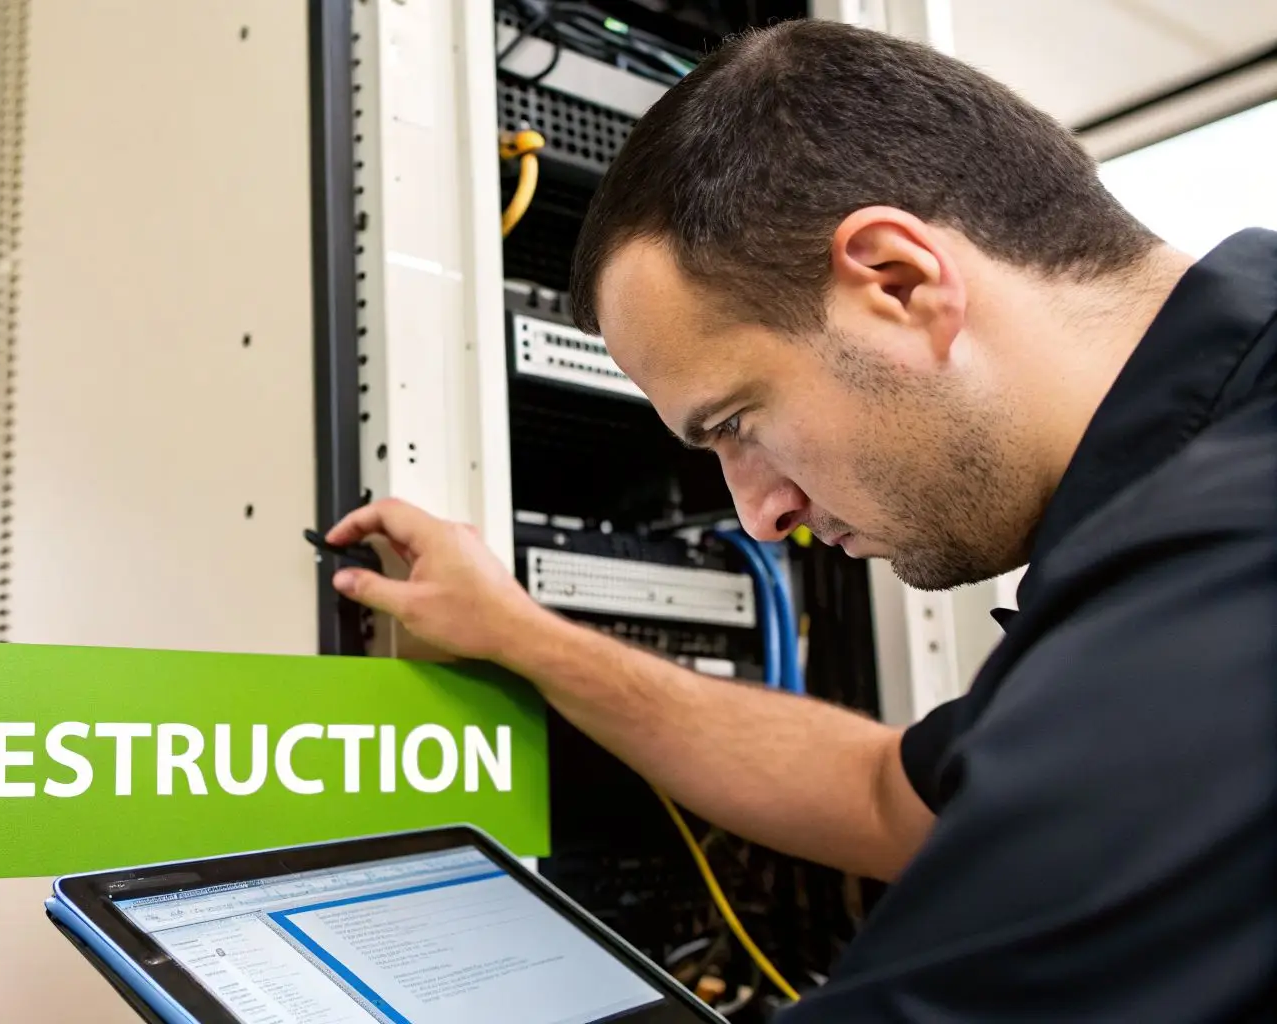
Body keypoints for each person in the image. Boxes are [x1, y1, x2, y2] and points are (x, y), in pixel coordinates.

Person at [325, 19, 1277, 1021]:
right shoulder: (1178, 511)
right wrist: (517, 635)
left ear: (897, 282)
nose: (762, 515)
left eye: (737, 423)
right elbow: (882, 794)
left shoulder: (1222, 548)